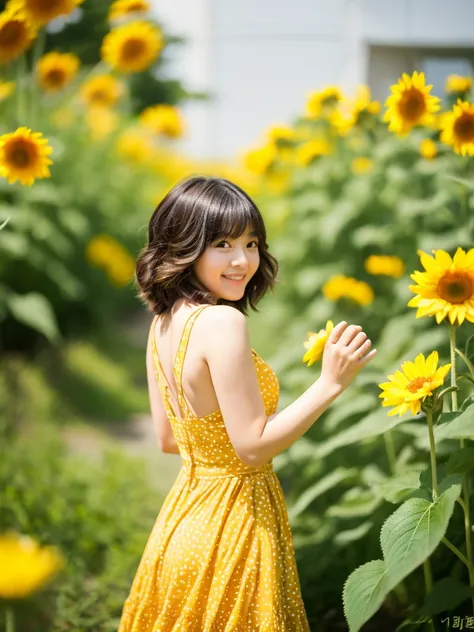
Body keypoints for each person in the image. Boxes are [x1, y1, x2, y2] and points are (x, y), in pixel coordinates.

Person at [118, 175, 376, 631]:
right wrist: (330, 384)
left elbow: (167, 439)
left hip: (183, 520)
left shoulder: (162, 324)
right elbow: (252, 447)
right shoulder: (221, 324)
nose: (243, 261)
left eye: (251, 243)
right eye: (222, 243)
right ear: (183, 247)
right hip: (233, 526)